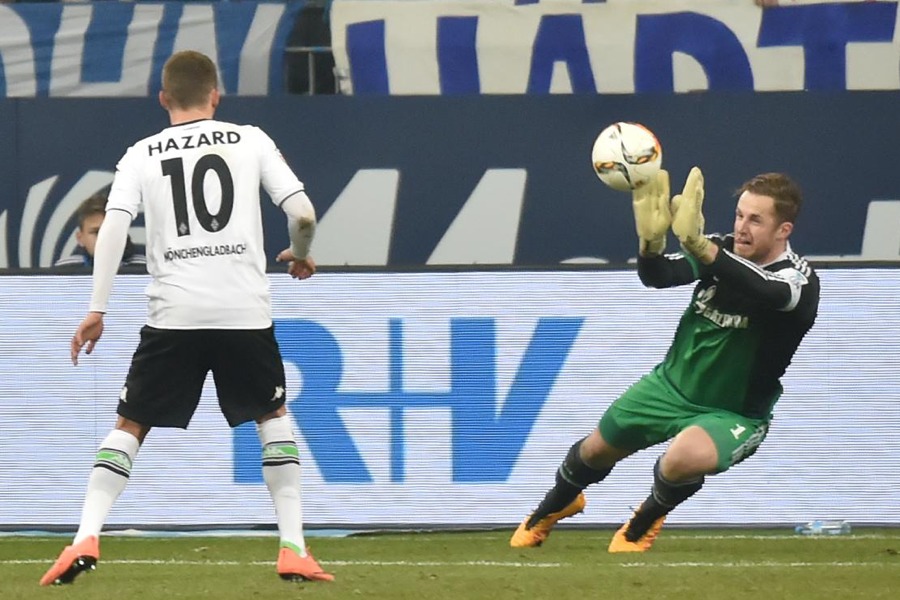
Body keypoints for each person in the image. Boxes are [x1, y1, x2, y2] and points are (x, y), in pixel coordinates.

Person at [40, 50, 333, 585]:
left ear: (163, 99)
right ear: (215, 95)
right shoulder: (250, 139)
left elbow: (112, 229)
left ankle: (85, 535)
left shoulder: (141, 154)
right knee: (272, 418)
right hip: (242, 310)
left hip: (175, 311)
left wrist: (96, 308)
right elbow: (303, 213)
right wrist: (301, 251)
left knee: (130, 424)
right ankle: (293, 547)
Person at [510, 167, 819, 552]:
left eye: (756, 220)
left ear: (783, 230)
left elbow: (765, 290)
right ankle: (555, 506)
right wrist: (651, 244)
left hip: (733, 413)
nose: (742, 227)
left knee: (681, 458)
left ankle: (644, 520)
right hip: (669, 387)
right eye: (740, 215)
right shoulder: (722, 250)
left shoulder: (798, 280)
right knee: (594, 450)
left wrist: (702, 247)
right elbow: (658, 277)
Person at [54, 192, 147, 270]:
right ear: (80, 239)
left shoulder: (145, 269)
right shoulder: (63, 270)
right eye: (96, 232)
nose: (104, 239)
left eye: (111, 232)